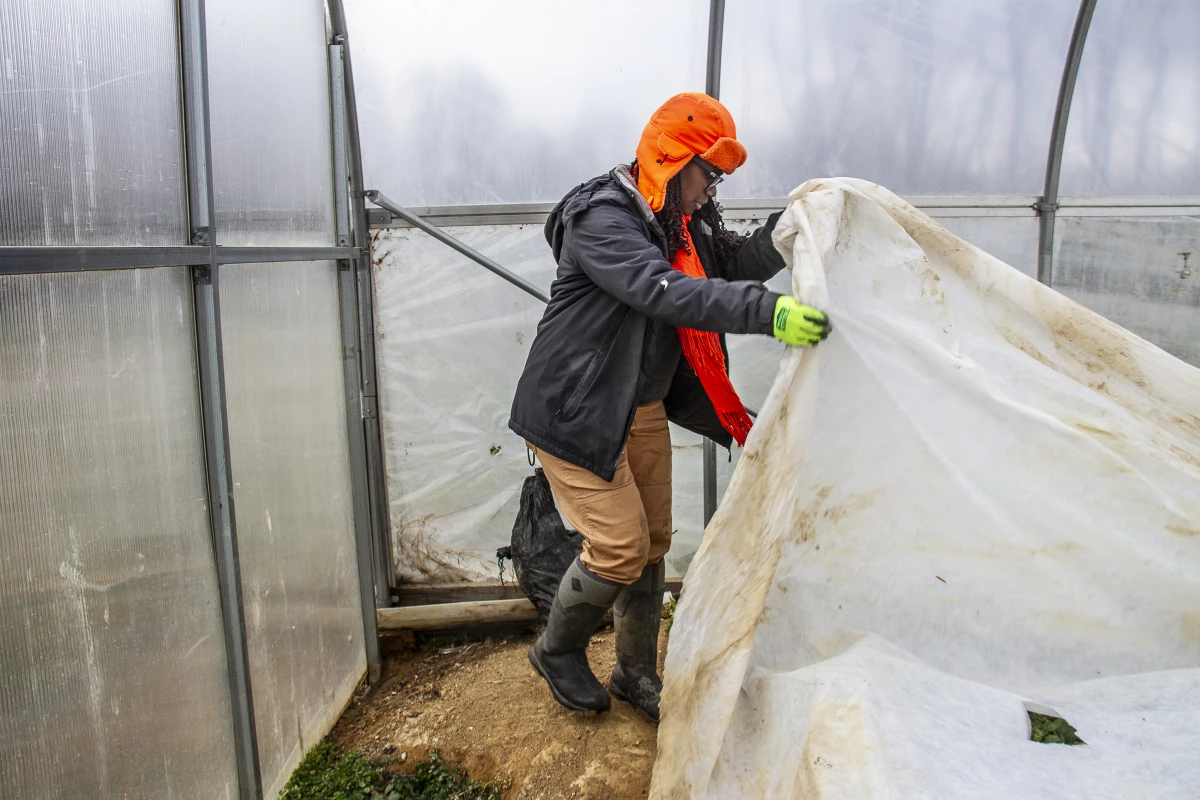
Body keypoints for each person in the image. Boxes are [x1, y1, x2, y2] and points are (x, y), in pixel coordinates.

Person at [508, 92, 831, 723]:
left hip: (642, 408)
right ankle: (556, 650)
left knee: (653, 543)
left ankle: (634, 672)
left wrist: (785, 231)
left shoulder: (685, 222)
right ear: (670, 157)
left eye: (717, 179)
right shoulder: (601, 215)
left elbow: (731, 260)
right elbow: (663, 290)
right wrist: (767, 314)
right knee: (620, 546)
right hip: (576, 411)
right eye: (706, 174)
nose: (711, 191)